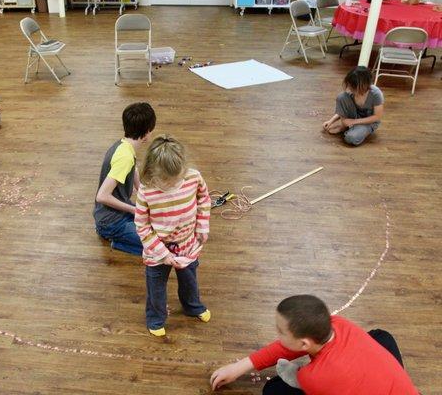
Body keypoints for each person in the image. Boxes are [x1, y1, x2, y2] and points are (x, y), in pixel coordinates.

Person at [210, 295, 419, 395]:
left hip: (333, 378)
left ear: (304, 343)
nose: (277, 335)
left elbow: (290, 360)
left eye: (281, 331)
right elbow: (287, 347)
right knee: (380, 336)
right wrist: (241, 366)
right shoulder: (338, 323)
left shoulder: (314, 377)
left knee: (274, 391)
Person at [135, 135, 211, 337]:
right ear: (151, 172)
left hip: (188, 244)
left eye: (177, 178)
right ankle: (156, 318)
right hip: (157, 252)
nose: (172, 184)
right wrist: (161, 253)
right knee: (156, 288)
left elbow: (204, 199)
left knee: (189, 280)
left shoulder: (193, 177)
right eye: (166, 180)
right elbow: (142, 225)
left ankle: (192, 306)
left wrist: (203, 225)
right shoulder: (146, 190)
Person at [94, 102, 156, 256]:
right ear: (147, 131)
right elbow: (102, 196)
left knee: (155, 224)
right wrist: (134, 209)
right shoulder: (125, 157)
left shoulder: (124, 146)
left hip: (115, 214)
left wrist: (146, 196)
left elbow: (133, 170)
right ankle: (117, 240)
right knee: (158, 247)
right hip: (112, 222)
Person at [322, 66, 384, 146]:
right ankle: (344, 127)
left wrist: (353, 122)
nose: (350, 88)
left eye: (352, 87)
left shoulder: (376, 94)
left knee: (351, 138)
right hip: (354, 116)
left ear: (363, 85)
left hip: (369, 122)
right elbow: (344, 108)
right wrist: (331, 121)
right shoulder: (352, 91)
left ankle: (355, 129)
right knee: (342, 96)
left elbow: (377, 117)